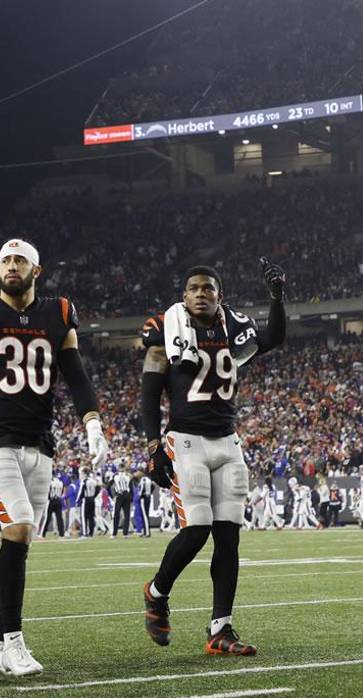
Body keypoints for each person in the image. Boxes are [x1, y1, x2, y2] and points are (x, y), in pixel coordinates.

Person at [0, 238, 109, 676]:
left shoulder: (58, 313)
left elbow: (75, 374)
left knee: (22, 539)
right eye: (5, 261)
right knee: (16, 529)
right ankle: (12, 641)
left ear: (37, 268)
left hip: (40, 444)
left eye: (19, 260)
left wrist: (92, 422)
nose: (11, 266)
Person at [140, 259, 285, 656]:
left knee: (229, 536)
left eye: (208, 288)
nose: (200, 293)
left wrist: (277, 299)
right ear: (183, 296)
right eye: (193, 288)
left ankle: (221, 628)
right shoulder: (166, 329)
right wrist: (153, 445)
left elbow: (273, 336)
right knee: (196, 529)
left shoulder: (234, 326)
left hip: (227, 440)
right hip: (186, 439)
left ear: (220, 295)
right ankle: (156, 592)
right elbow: (150, 391)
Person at [110, 463, 133, 537]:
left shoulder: (115, 476)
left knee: (117, 514)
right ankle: (125, 533)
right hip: (126, 495)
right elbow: (131, 487)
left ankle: (115, 533)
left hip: (119, 495)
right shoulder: (128, 476)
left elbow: (108, 486)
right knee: (126, 515)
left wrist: (113, 495)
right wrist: (131, 497)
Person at [137, 470, 154, 537]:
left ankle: (147, 533)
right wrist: (149, 493)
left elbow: (141, 489)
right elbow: (153, 486)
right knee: (145, 515)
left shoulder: (143, 479)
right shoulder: (148, 479)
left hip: (144, 498)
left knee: (145, 516)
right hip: (148, 497)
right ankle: (145, 531)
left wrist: (140, 495)